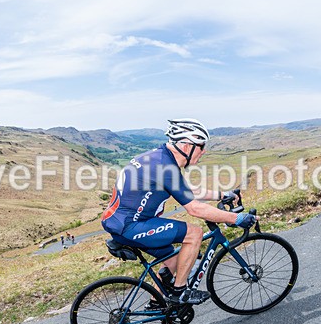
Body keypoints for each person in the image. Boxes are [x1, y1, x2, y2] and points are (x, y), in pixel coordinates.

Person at [101, 118, 257, 306]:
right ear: (186, 145)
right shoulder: (166, 166)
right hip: (131, 226)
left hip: (120, 222)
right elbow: (194, 208)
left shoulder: (160, 158)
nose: (204, 151)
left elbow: (185, 190)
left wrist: (222, 194)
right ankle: (180, 292)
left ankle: (156, 303)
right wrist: (238, 218)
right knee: (194, 234)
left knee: (173, 259)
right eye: (200, 145)